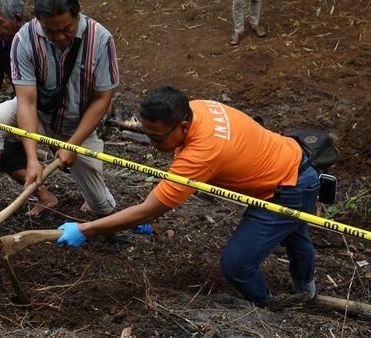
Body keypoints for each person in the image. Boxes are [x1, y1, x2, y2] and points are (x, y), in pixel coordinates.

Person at [55, 86, 321, 306]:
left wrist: (85, 229)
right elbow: (160, 198)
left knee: (236, 265)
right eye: (147, 134)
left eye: (157, 138)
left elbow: (150, 209)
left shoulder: (202, 153)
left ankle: (267, 306)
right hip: (291, 161)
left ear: (183, 126)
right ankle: (305, 287)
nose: (151, 144)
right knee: (294, 232)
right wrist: (141, 213)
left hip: (287, 189)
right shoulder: (197, 107)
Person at [0, 0, 119, 235]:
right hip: (37, 111)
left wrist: (72, 145)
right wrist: (32, 159)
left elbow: (102, 99)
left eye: (66, 29)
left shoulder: (101, 39)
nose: (60, 37)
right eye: (50, 31)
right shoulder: (24, 38)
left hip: (78, 122)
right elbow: (26, 101)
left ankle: (111, 219)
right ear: (38, 21)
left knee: (100, 204)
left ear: (78, 16)